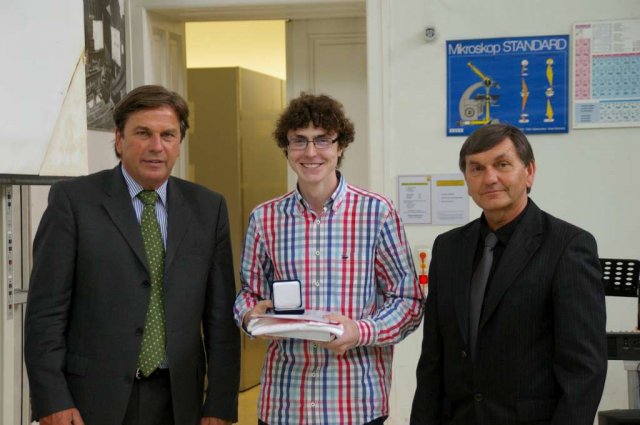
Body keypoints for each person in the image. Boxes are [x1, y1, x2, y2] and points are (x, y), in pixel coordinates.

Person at [25, 85, 240, 425]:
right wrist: (52, 400)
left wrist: (219, 404)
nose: (156, 146)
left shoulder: (208, 208)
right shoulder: (73, 201)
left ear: (179, 143)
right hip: (91, 402)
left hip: (180, 402)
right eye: (143, 133)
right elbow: (45, 313)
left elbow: (220, 320)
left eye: (167, 135)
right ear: (119, 139)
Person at [233, 93, 424, 425]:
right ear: (286, 148)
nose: (310, 152)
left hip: (356, 404)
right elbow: (248, 293)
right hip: (284, 403)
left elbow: (409, 301)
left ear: (340, 146)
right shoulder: (264, 218)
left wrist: (361, 331)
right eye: (299, 140)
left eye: (322, 140)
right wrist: (250, 316)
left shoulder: (377, 213)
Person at [410, 123, 607, 425]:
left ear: (529, 172)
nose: (489, 178)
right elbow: (432, 361)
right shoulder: (448, 248)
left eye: (502, 164)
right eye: (477, 168)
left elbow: (584, 369)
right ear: (467, 180)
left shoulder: (567, 246)